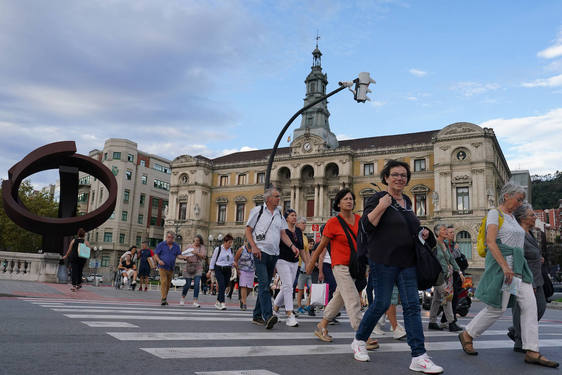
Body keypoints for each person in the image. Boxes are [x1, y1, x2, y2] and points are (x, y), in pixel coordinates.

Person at [353, 160, 443, 373]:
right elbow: (366, 225)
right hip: (383, 260)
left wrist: (423, 233)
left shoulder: (408, 204)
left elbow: (411, 229)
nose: (400, 178)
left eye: (403, 175)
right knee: (381, 303)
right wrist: (382, 207)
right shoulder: (378, 198)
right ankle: (359, 341)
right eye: (395, 174)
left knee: (412, 306)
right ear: (386, 177)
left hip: (408, 261)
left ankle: (418, 356)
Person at [459, 183, 558, 368]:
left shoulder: (513, 217)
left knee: (530, 307)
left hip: (519, 271)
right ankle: (468, 334)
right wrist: (505, 267)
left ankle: (532, 350)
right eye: (518, 199)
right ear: (506, 196)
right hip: (505, 271)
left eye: (522, 200)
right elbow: (491, 242)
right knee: (498, 309)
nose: (520, 203)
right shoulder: (494, 214)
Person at [306, 189, 379, 351]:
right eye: (345, 199)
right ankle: (362, 334)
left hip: (355, 266)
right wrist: (311, 263)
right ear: (338, 203)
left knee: (339, 297)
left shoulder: (359, 220)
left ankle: (322, 325)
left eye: (351, 199)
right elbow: (322, 245)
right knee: (352, 298)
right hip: (339, 266)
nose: (349, 201)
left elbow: (365, 242)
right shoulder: (333, 223)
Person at [246, 187, 300, 330]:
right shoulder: (258, 211)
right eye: (276, 196)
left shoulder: (279, 214)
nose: (279, 198)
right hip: (260, 253)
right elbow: (248, 230)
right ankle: (268, 315)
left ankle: (256, 316)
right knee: (264, 285)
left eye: (279, 196)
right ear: (268, 198)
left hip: (274, 254)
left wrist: (292, 246)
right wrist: (254, 247)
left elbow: (283, 234)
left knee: (265, 285)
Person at [508, 202, 547, 353]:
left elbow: (530, 253)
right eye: (532, 215)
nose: (535, 217)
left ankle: (516, 331)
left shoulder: (530, 232)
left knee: (540, 307)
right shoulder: (516, 233)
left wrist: (539, 258)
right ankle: (519, 340)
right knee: (520, 310)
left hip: (536, 277)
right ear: (522, 218)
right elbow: (516, 256)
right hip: (522, 277)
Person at [273, 209, 307, 327]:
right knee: (288, 286)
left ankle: (275, 309)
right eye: (292, 215)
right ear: (286, 218)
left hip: (294, 262)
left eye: (295, 215)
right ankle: (289, 314)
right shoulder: (282, 230)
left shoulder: (298, 231)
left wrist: (307, 263)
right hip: (282, 260)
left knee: (287, 287)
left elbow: (301, 249)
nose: (294, 217)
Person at [428, 224, 464, 332]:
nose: (446, 232)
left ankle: (432, 322)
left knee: (436, 300)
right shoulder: (434, 244)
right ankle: (451, 322)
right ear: (438, 232)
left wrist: (459, 271)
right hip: (438, 275)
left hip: (447, 276)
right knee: (447, 297)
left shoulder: (444, 244)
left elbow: (451, 259)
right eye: (444, 230)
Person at [153, 231, 183, 306]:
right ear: (166, 237)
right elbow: (156, 254)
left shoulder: (176, 246)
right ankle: (163, 298)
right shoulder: (161, 245)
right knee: (164, 282)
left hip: (171, 267)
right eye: (168, 237)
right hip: (162, 267)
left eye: (172, 238)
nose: (170, 239)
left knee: (168, 284)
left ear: (174, 239)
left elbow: (178, 255)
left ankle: (164, 298)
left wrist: (184, 258)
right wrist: (159, 260)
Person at [207, 234, 235, 310]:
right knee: (221, 285)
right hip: (219, 268)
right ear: (225, 242)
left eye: (231, 242)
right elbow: (213, 259)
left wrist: (233, 268)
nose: (230, 244)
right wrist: (210, 270)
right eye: (229, 242)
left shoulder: (231, 250)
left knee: (225, 285)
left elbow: (232, 260)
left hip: (228, 269)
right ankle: (222, 303)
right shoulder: (218, 249)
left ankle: (217, 301)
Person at [180, 235, 206, 307]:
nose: (197, 242)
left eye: (198, 241)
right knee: (187, 284)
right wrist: (185, 258)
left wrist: (196, 253)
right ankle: (182, 298)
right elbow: (182, 255)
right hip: (189, 266)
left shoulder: (202, 247)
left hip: (198, 267)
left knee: (197, 284)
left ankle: (195, 301)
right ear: (193, 240)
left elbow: (204, 257)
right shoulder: (189, 246)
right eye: (196, 240)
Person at [62, 228, 90, 292]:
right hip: (82, 259)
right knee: (80, 271)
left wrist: (66, 255)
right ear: (84, 235)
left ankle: (74, 285)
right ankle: (79, 284)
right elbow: (89, 249)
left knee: (74, 272)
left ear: (78, 234)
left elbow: (69, 249)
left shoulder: (74, 240)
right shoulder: (85, 242)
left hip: (74, 258)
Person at [234, 240, 255, 311]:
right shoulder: (241, 249)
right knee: (243, 285)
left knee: (249, 287)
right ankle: (244, 304)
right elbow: (235, 260)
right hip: (242, 270)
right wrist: (237, 270)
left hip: (252, 270)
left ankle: (242, 299)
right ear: (246, 241)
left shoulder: (255, 249)